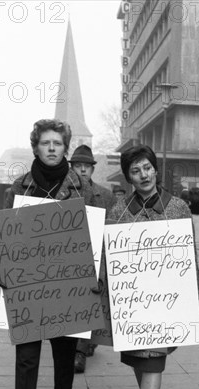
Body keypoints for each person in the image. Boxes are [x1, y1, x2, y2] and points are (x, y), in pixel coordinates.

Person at [0, 119, 97, 389]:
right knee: (26, 361)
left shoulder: (83, 190)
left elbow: (96, 238)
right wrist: (4, 271)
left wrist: (95, 275)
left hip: (69, 288)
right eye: (46, 143)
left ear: (65, 147)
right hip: (28, 288)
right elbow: (6, 240)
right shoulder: (18, 188)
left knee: (64, 357)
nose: (52, 148)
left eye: (58, 142)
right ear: (36, 147)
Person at [107, 145, 192, 389]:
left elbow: (187, 255)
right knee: (137, 358)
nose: (142, 175)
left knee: (154, 358)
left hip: (164, 299)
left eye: (147, 168)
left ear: (156, 170)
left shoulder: (178, 207)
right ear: (129, 176)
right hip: (131, 300)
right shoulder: (119, 210)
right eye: (135, 170)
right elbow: (110, 254)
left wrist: (189, 296)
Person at [69, 144, 116, 374]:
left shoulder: (105, 196)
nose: (83, 170)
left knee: (90, 302)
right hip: (68, 258)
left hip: (96, 258)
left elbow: (113, 230)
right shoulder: (62, 193)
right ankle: (78, 345)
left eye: (87, 166)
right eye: (78, 166)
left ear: (92, 169)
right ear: (72, 168)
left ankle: (80, 350)